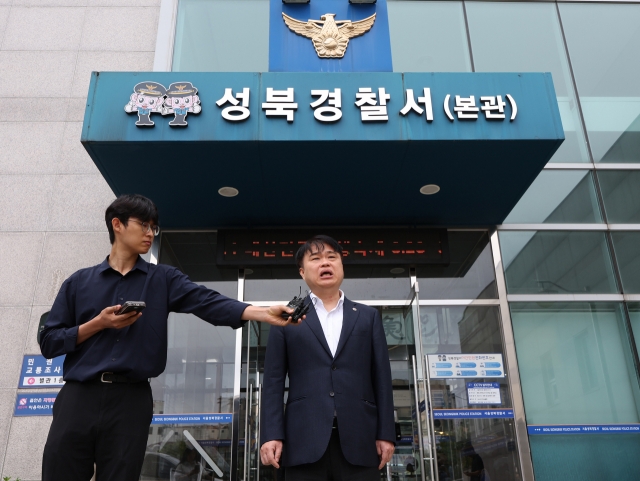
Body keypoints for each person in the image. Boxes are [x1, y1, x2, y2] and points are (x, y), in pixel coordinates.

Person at [40, 194, 299, 481]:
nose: (151, 233)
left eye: (155, 228)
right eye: (144, 225)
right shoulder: (79, 282)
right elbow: (49, 341)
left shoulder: (162, 279)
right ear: (117, 224)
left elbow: (206, 301)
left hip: (132, 399)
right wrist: (98, 324)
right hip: (79, 396)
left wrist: (261, 312)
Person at [260, 235, 396, 481]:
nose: (325, 263)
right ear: (302, 272)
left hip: (360, 440)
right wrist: (271, 434)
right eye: (316, 259)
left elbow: (382, 380)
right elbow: (272, 382)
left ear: (341, 266)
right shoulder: (286, 319)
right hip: (303, 439)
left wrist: (386, 434)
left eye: (332, 257)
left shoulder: (368, 317)